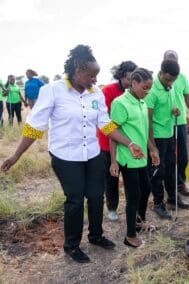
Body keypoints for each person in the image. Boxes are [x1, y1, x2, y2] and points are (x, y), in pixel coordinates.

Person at [1, 45, 143, 263]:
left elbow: (106, 126)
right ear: (77, 70)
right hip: (65, 156)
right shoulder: (53, 90)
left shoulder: (95, 94)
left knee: (96, 196)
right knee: (75, 200)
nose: (95, 80)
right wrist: (15, 156)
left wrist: (129, 142)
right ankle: (72, 246)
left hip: (93, 154)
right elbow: (34, 127)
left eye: (97, 76)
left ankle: (96, 236)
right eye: (91, 75)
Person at [109, 68, 160, 248]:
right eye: (144, 88)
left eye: (150, 88)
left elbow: (142, 132)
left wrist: (152, 149)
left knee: (146, 189)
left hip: (141, 157)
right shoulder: (120, 103)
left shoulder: (142, 103)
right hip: (127, 159)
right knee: (134, 195)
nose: (147, 92)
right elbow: (111, 131)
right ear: (134, 83)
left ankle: (139, 221)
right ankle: (130, 236)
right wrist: (113, 161)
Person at [145, 59, 189, 220]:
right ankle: (158, 203)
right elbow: (148, 120)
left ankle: (172, 198)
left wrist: (174, 110)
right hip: (156, 137)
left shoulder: (169, 87)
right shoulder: (152, 91)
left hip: (170, 133)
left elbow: (164, 109)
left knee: (171, 168)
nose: (170, 82)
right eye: (168, 79)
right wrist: (152, 147)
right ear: (161, 72)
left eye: (173, 80)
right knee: (157, 171)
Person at [97, 60, 138, 221]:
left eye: (134, 79)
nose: (131, 82)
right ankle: (112, 208)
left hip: (128, 144)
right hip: (108, 143)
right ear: (121, 76)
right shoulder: (107, 91)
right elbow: (104, 120)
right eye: (129, 78)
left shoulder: (135, 93)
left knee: (130, 177)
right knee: (112, 177)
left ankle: (131, 207)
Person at [163, 50, 189, 197]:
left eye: (174, 60)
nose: (172, 62)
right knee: (168, 157)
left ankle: (180, 183)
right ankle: (168, 186)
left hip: (180, 122)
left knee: (182, 155)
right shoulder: (158, 79)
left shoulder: (182, 78)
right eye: (169, 60)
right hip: (164, 124)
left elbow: (187, 98)